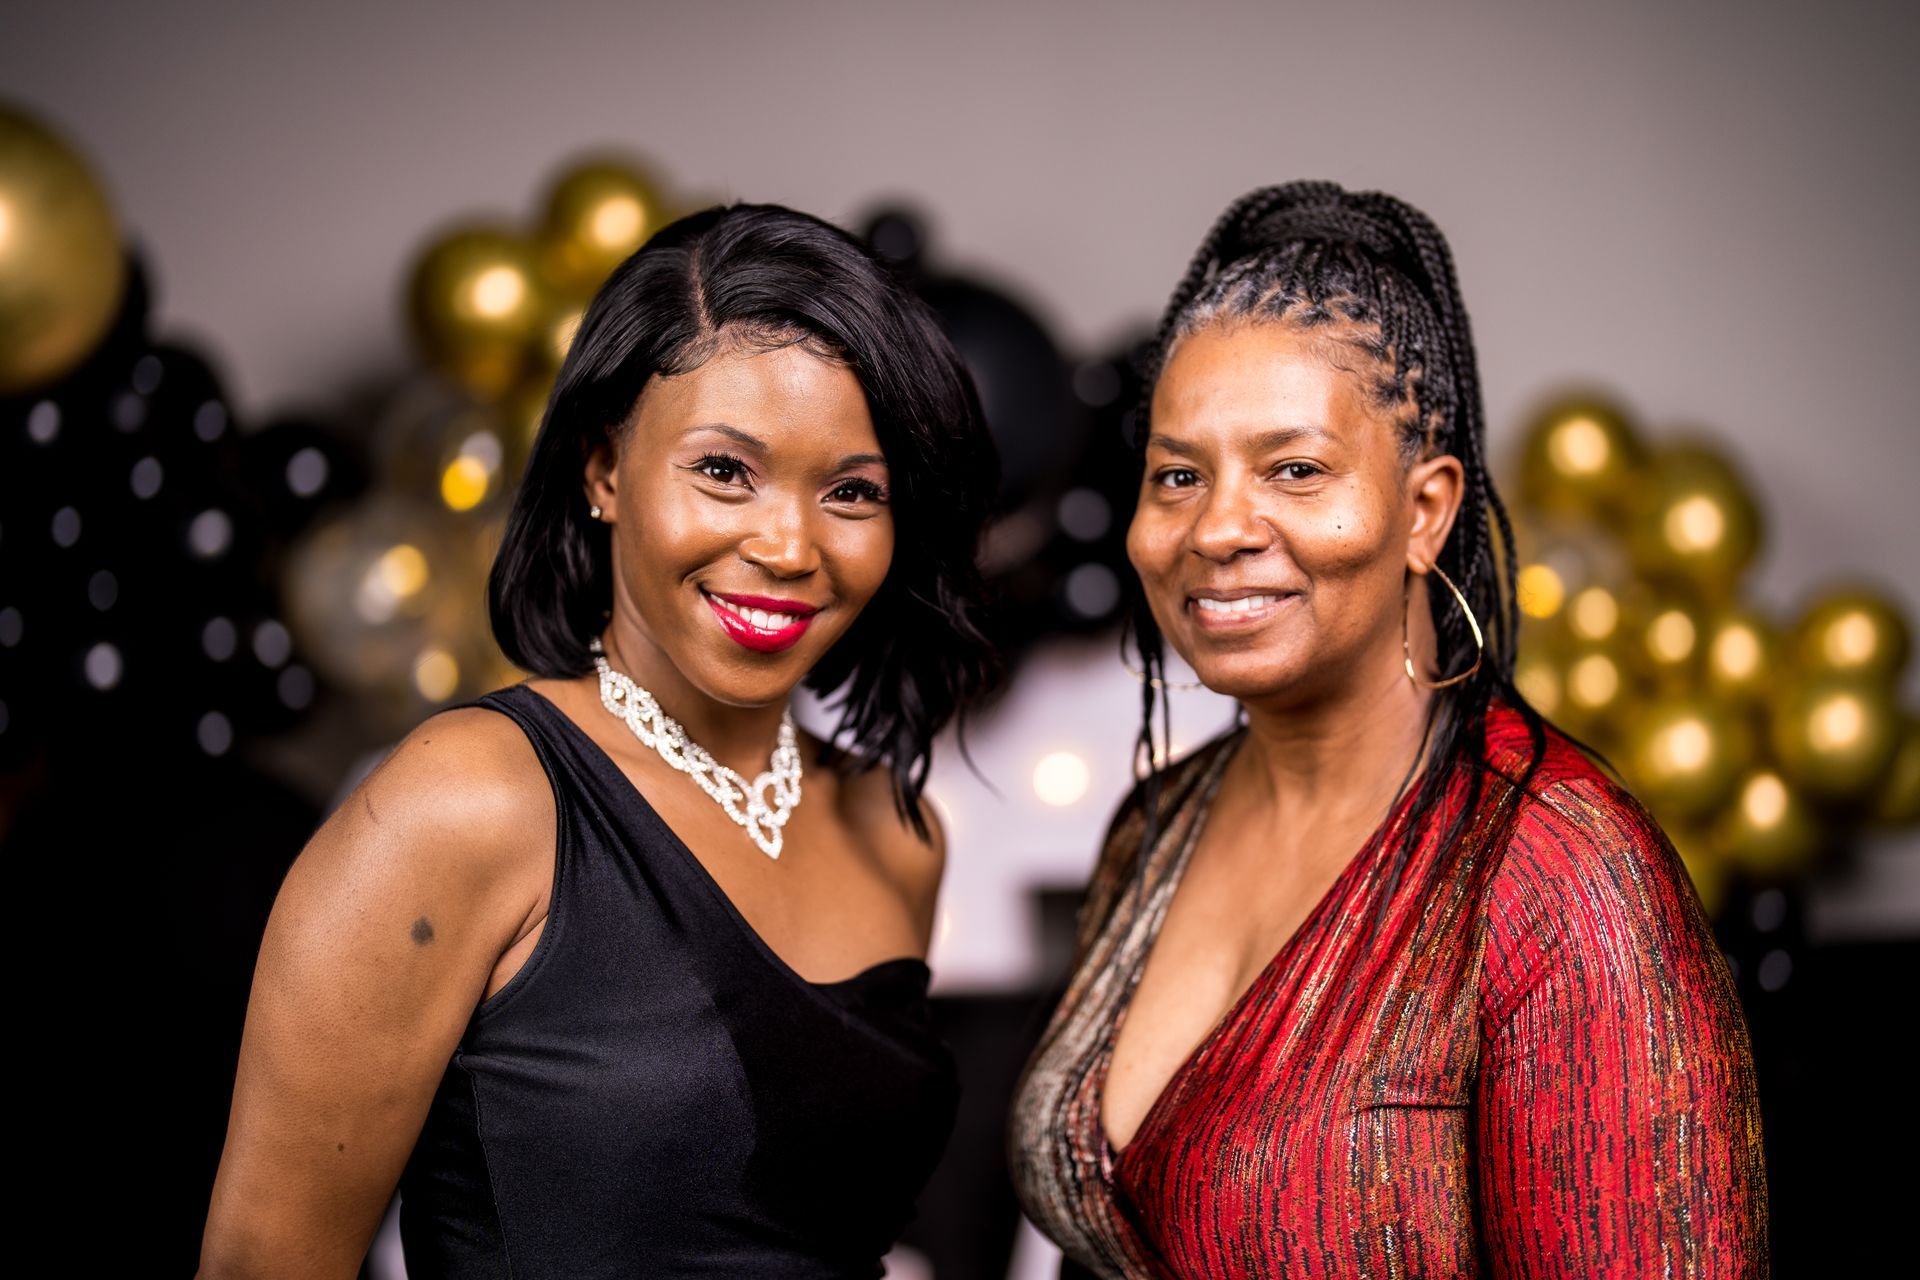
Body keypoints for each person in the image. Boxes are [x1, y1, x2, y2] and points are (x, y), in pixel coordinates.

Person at [200, 203, 999, 1278]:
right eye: (726, 470)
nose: (789, 544)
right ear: (603, 471)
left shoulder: (899, 833)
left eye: (852, 491)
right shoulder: (467, 800)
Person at [1011, 182, 1767, 1278]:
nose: (1218, 526)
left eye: (1296, 469)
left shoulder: (1558, 880)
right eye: (1179, 474)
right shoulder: (1153, 829)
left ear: (1426, 510)